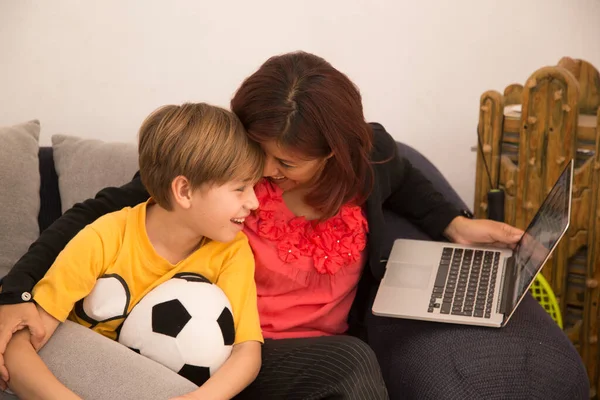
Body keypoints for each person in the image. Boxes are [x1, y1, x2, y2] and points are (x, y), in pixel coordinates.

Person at [0, 51, 588, 399]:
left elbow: (406, 174)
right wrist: (15, 291)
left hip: (305, 349)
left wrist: (454, 223)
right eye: (259, 154)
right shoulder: (223, 173)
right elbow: (100, 213)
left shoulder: (369, 156)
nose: (265, 173)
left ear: (334, 151)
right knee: (353, 366)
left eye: (285, 163)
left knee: (351, 362)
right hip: (224, 343)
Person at [3, 103, 266, 399]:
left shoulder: (232, 252)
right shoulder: (105, 237)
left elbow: (247, 351)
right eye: (241, 188)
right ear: (185, 191)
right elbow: (21, 341)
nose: (254, 202)